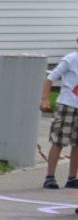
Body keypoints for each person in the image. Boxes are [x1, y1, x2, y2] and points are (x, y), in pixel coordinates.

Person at [45, 40, 78, 190]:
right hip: (67, 105)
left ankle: (72, 178)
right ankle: (50, 177)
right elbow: (50, 78)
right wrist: (45, 98)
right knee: (58, 141)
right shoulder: (71, 59)